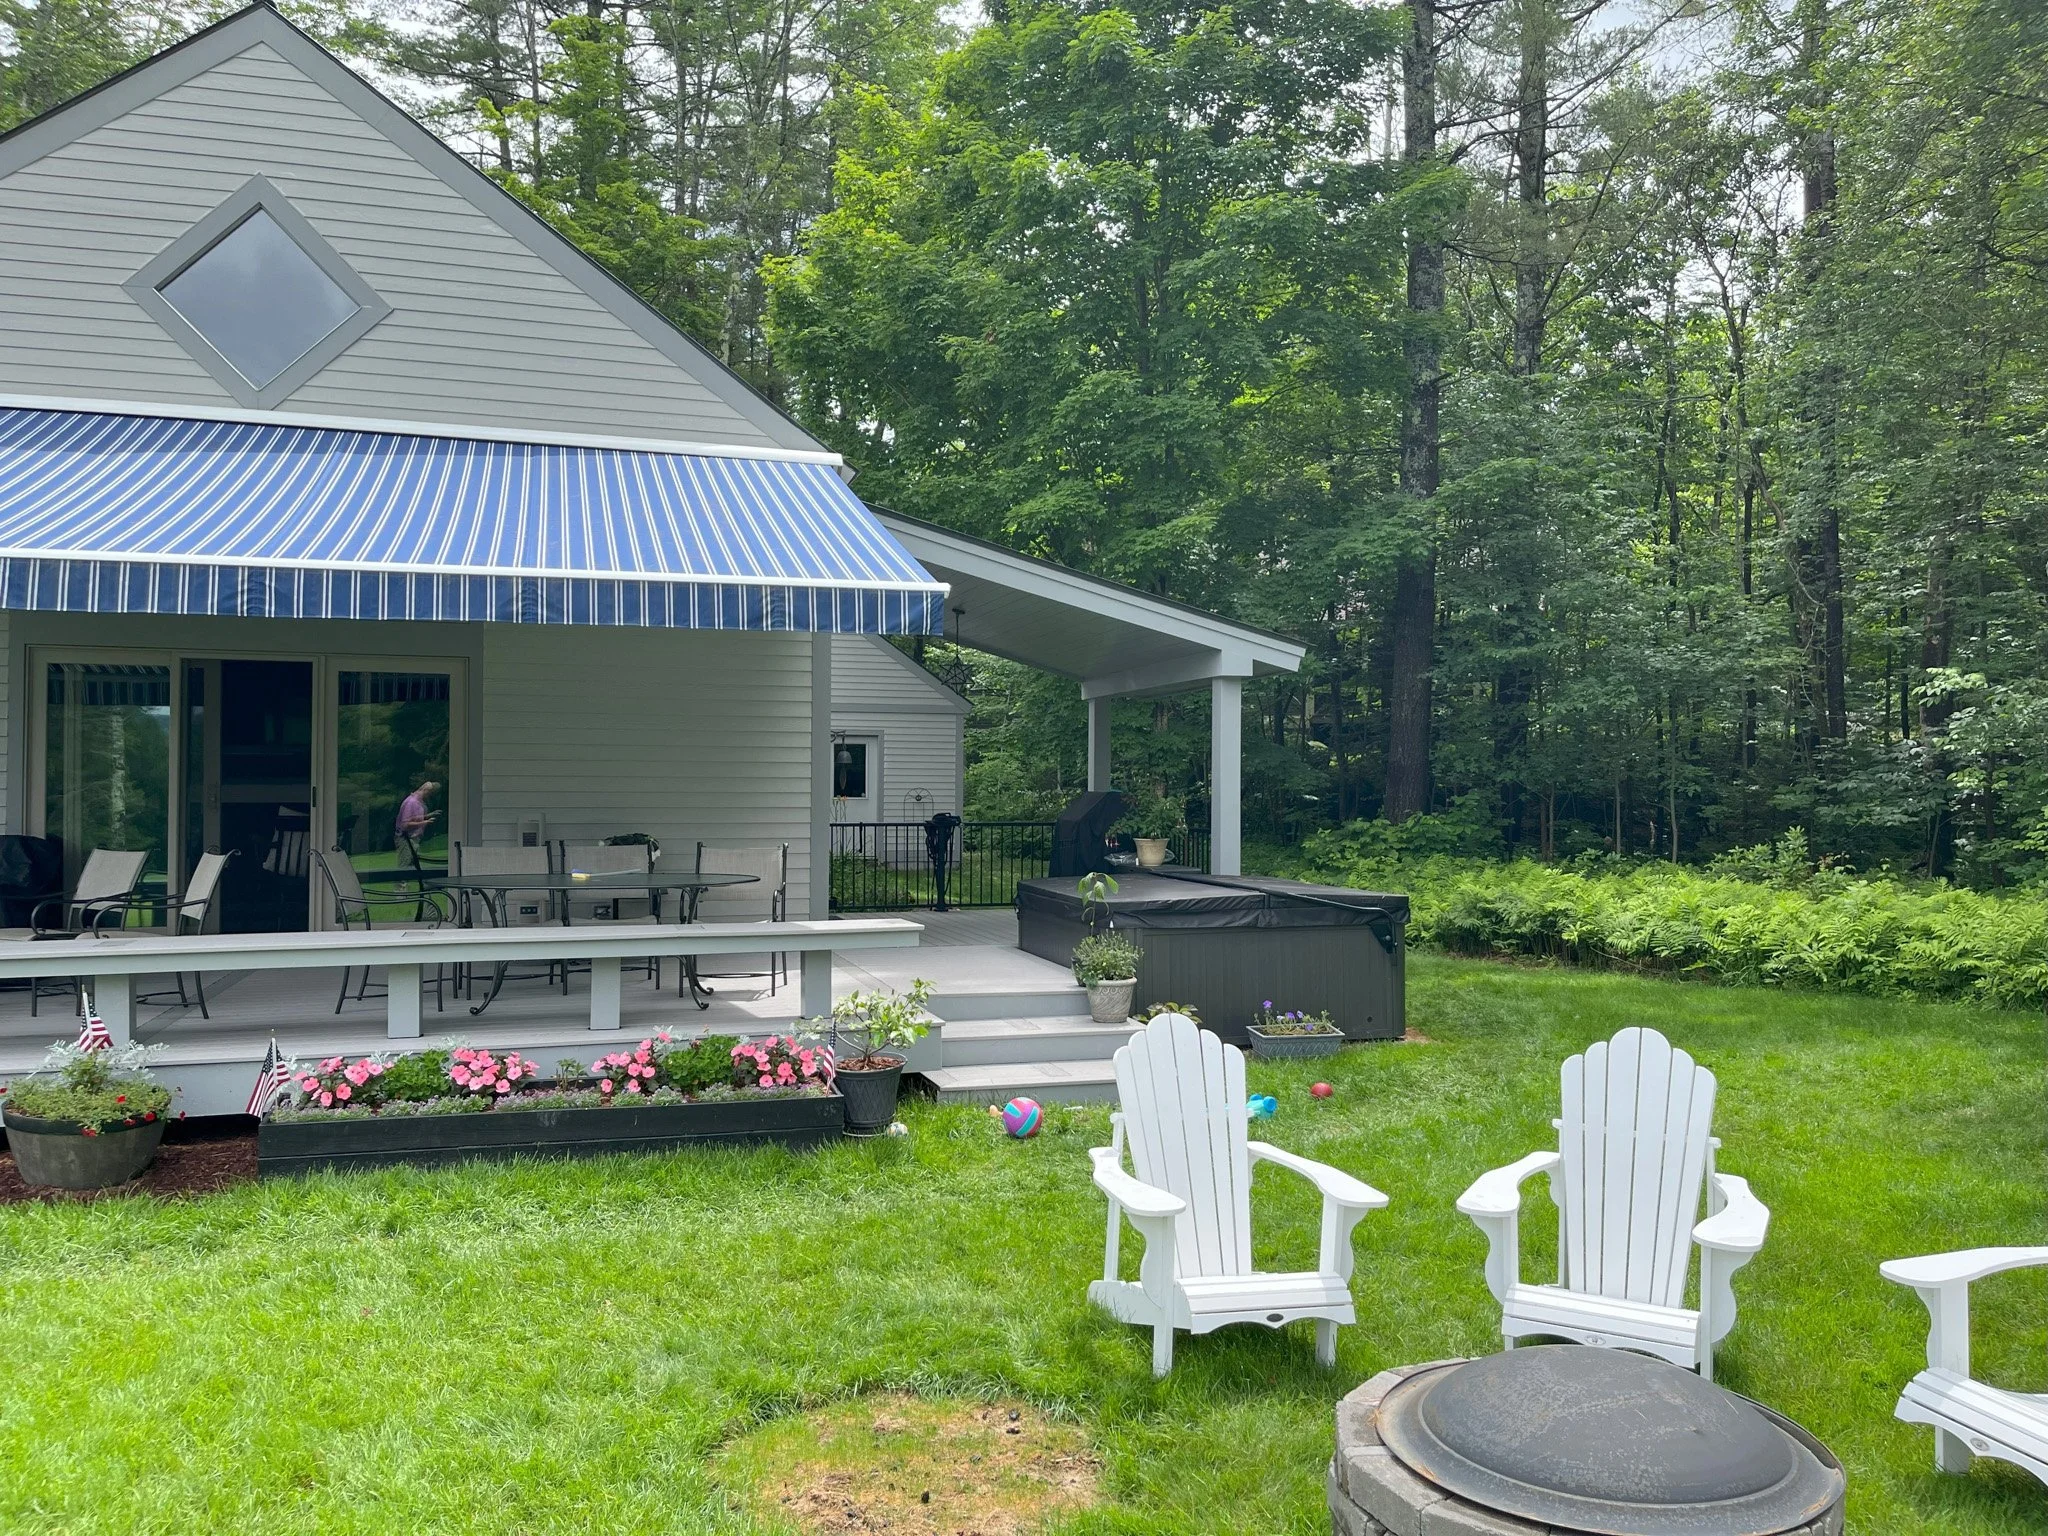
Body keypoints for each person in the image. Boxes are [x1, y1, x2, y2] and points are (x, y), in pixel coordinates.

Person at [395, 780, 440, 849]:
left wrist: (429, 815)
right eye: (430, 794)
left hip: (414, 840)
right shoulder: (411, 802)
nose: (429, 797)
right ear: (426, 791)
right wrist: (425, 822)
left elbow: (413, 818)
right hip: (407, 841)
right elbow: (405, 825)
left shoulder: (418, 802)